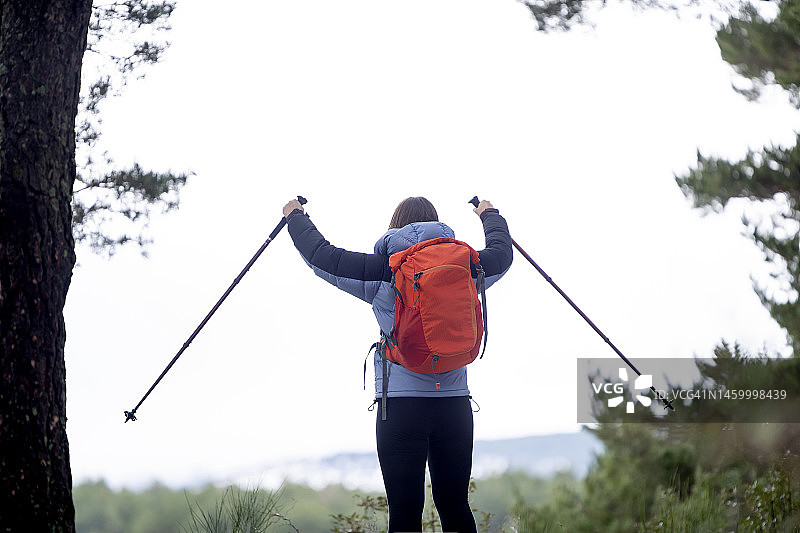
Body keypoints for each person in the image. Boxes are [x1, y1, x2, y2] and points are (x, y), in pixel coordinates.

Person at [282, 196, 512, 532]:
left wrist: (296, 217)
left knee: (404, 514)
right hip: (454, 407)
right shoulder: (464, 269)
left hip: (401, 409)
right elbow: (502, 255)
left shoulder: (383, 273)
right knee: (455, 506)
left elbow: (322, 258)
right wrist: (489, 214)